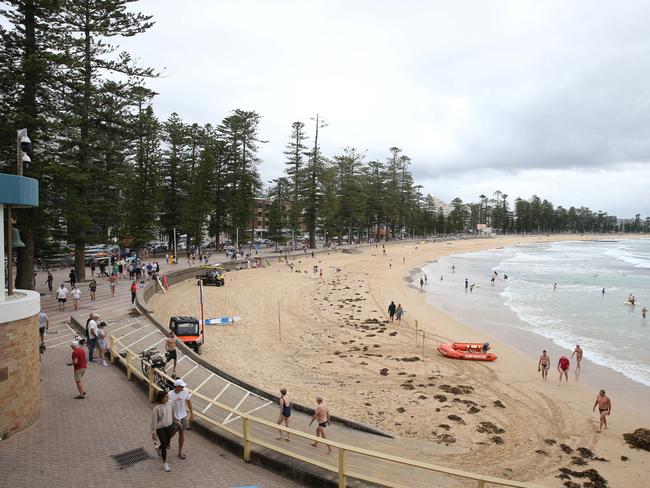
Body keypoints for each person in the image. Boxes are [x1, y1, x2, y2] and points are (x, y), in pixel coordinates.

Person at [151, 390, 177, 472]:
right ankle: (165, 463)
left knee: (166, 444)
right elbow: (154, 422)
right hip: (160, 428)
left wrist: (177, 421)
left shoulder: (170, 403)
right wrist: (153, 433)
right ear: (161, 398)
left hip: (169, 426)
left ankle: (158, 448)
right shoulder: (156, 408)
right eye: (166, 396)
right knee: (164, 445)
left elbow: (173, 414)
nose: (168, 398)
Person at [168, 379, 194, 460]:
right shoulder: (169, 395)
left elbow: (189, 402)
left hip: (183, 416)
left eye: (183, 386)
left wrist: (192, 414)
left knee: (182, 434)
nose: (183, 387)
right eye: (181, 386)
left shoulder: (185, 392)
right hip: (173, 417)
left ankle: (180, 452)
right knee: (172, 433)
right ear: (176, 387)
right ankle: (167, 441)